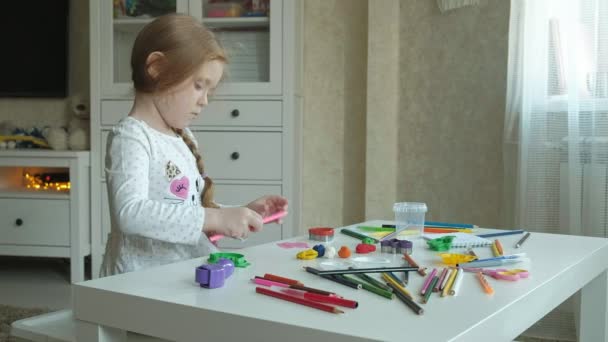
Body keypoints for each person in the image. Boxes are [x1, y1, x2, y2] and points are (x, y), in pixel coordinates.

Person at [100, 14, 288, 276]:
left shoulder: (181, 136)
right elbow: (130, 213)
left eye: (209, 91)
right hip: (142, 281)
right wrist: (216, 219)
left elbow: (185, 208)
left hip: (184, 272)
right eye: (199, 86)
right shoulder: (131, 137)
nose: (205, 101)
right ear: (157, 67)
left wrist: (239, 212)